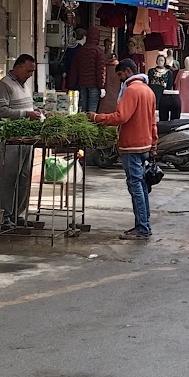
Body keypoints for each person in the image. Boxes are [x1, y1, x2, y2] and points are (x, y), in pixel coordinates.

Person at [89, 59, 160, 240]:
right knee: (141, 185)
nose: (120, 79)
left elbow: (121, 117)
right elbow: (153, 122)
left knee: (136, 186)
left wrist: (97, 117)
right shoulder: (148, 91)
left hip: (132, 145)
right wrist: (153, 145)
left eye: (120, 75)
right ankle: (143, 225)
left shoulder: (132, 90)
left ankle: (142, 228)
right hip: (144, 144)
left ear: (128, 71)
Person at [66, 29, 105, 114]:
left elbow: (74, 69)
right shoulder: (99, 52)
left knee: (83, 108)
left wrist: (71, 84)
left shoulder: (80, 51)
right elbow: (100, 71)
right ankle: (91, 125)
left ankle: (83, 124)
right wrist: (101, 86)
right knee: (92, 109)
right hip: (94, 85)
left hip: (82, 84)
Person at [0, 55, 44, 121]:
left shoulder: (25, 83)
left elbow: (26, 105)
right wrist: (27, 114)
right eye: (28, 71)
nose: (31, 75)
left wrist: (36, 110)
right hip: (12, 129)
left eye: (32, 71)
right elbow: (1, 111)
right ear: (18, 68)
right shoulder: (3, 85)